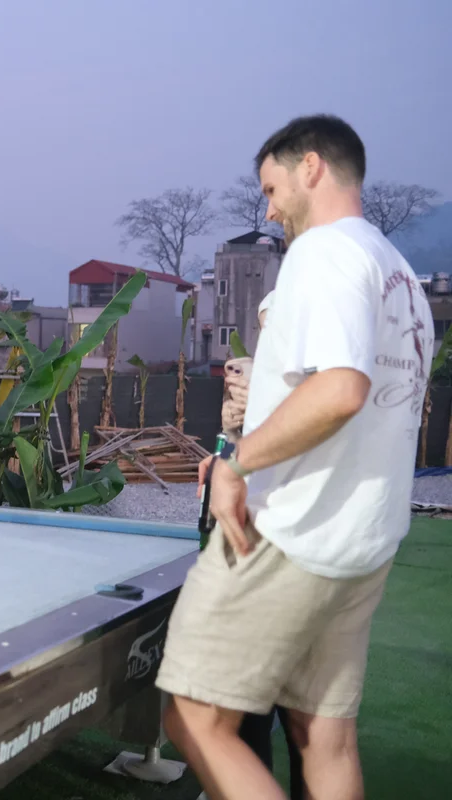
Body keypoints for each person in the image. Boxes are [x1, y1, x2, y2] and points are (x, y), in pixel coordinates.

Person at [156, 114, 434, 800]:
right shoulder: (400, 276)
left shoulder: (324, 251)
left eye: (271, 188)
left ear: (310, 167)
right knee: (324, 738)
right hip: (364, 542)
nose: (269, 210)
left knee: (194, 718)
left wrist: (236, 463)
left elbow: (340, 390)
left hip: (290, 533)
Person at [216, 287, 305, 800]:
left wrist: (263, 416)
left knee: (304, 724)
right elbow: (239, 470)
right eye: (264, 332)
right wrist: (234, 433)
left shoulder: (325, 394)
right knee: (247, 711)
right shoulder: (265, 388)